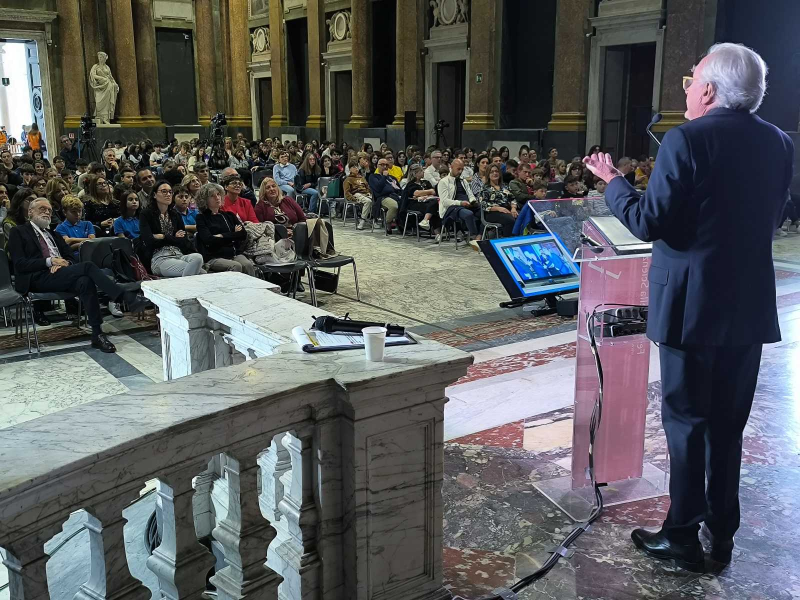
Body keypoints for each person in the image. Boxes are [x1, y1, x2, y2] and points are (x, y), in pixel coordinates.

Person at [583, 43, 793, 573]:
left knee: (687, 425)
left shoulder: (687, 139)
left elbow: (649, 222)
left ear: (707, 89)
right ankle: (720, 535)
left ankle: (680, 536)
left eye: (689, 80)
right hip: (746, 310)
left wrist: (613, 183)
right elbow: (769, 221)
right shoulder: (778, 142)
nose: (687, 90)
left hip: (690, 310)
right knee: (727, 428)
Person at [10, 198, 147, 352]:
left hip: (58, 274)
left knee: (85, 281)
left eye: (49, 210)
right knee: (87, 266)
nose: (47, 212)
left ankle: (97, 334)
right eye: (42, 208)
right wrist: (50, 261)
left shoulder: (53, 234)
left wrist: (65, 264)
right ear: (30, 211)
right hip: (35, 277)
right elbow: (19, 264)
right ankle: (125, 297)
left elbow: (70, 257)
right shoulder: (18, 231)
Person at [139, 180, 204, 277]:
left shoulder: (175, 215)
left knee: (198, 258)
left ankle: (184, 287)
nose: (168, 194)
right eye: (164, 191)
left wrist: (163, 237)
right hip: (160, 257)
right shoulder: (146, 214)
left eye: (170, 192)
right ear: (154, 195)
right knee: (200, 273)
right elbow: (149, 241)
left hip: (179, 254)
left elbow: (183, 240)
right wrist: (173, 237)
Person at [195, 182, 256, 275]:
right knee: (236, 266)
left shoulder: (229, 215)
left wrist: (221, 236)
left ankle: (253, 289)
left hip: (233, 253)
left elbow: (243, 234)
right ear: (204, 200)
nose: (217, 198)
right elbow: (209, 240)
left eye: (218, 194)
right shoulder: (201, 218)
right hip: (214, 256)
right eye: (212, 196)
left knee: (247, 264)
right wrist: (233, 234)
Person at [437, 159, 481, 243]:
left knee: (483, 211)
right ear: (451, 167)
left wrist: (472, 201)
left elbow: (470, 194)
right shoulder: (444, 182)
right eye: (458, 169)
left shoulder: (463, 181)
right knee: (468, 214)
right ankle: (474, 237)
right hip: (452, 208)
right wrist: (460, 203)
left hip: (466, 204)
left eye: (462, 169)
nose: (460, 171)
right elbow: (445, 201)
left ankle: (481, 235)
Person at [400, 163, 440, 233]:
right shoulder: (411, 184)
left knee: (435, 205)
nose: (423, 172)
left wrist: (425, 195)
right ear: (415, 174)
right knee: (433, 207)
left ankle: (425, 221)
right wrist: (428, 192)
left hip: (428, 201)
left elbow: (433, 192)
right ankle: (437, 232)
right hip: (415, 204)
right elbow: (416, 193)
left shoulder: (426, 182)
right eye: (421, 171)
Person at [481, 163, 517, 238]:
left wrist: (513, 208)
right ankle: (507, 241)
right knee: (509, 220)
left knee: (519, 216)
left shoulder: (505, 186)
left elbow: (513, 198)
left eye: (496, 171)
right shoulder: (485, 188)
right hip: (492, 212)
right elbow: (484, 205)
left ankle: (518, 239)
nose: (495, 173)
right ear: (488, 175)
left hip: (507, 210)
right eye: (492, 172)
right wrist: (499, 208)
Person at [56, 195, 97, 259]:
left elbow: (93, 240)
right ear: (64, 212)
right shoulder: (60, 227)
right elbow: (67, 245)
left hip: (90, 255)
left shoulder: (87, 224)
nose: (78, 214)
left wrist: (72, 240)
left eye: (79, 211)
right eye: (73, 211)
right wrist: (85, 242)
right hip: (72, 257)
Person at [368, 158, 401, 233]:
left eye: (386, 165)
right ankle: (388, 223)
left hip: (394, 196)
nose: (385, 167)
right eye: (382, 165)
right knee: (394, 206)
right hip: (382, 198)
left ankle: (404, 226)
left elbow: (399, 189)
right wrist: (384, 176)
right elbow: (378, 188)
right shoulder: (373, 177)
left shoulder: (391, 178)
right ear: (377, 166)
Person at [343, 160, 374, 231]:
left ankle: (373, 220)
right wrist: (353, 198)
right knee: (368, 201)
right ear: (350, 169)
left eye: (357, 166)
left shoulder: (362, 177)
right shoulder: (348, 179)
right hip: (356, 194)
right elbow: (347, 192)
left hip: (366, 194)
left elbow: (367, 187)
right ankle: (362, 221)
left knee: (376, 200)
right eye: (354, 167)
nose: (356, 168)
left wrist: (370, 193)